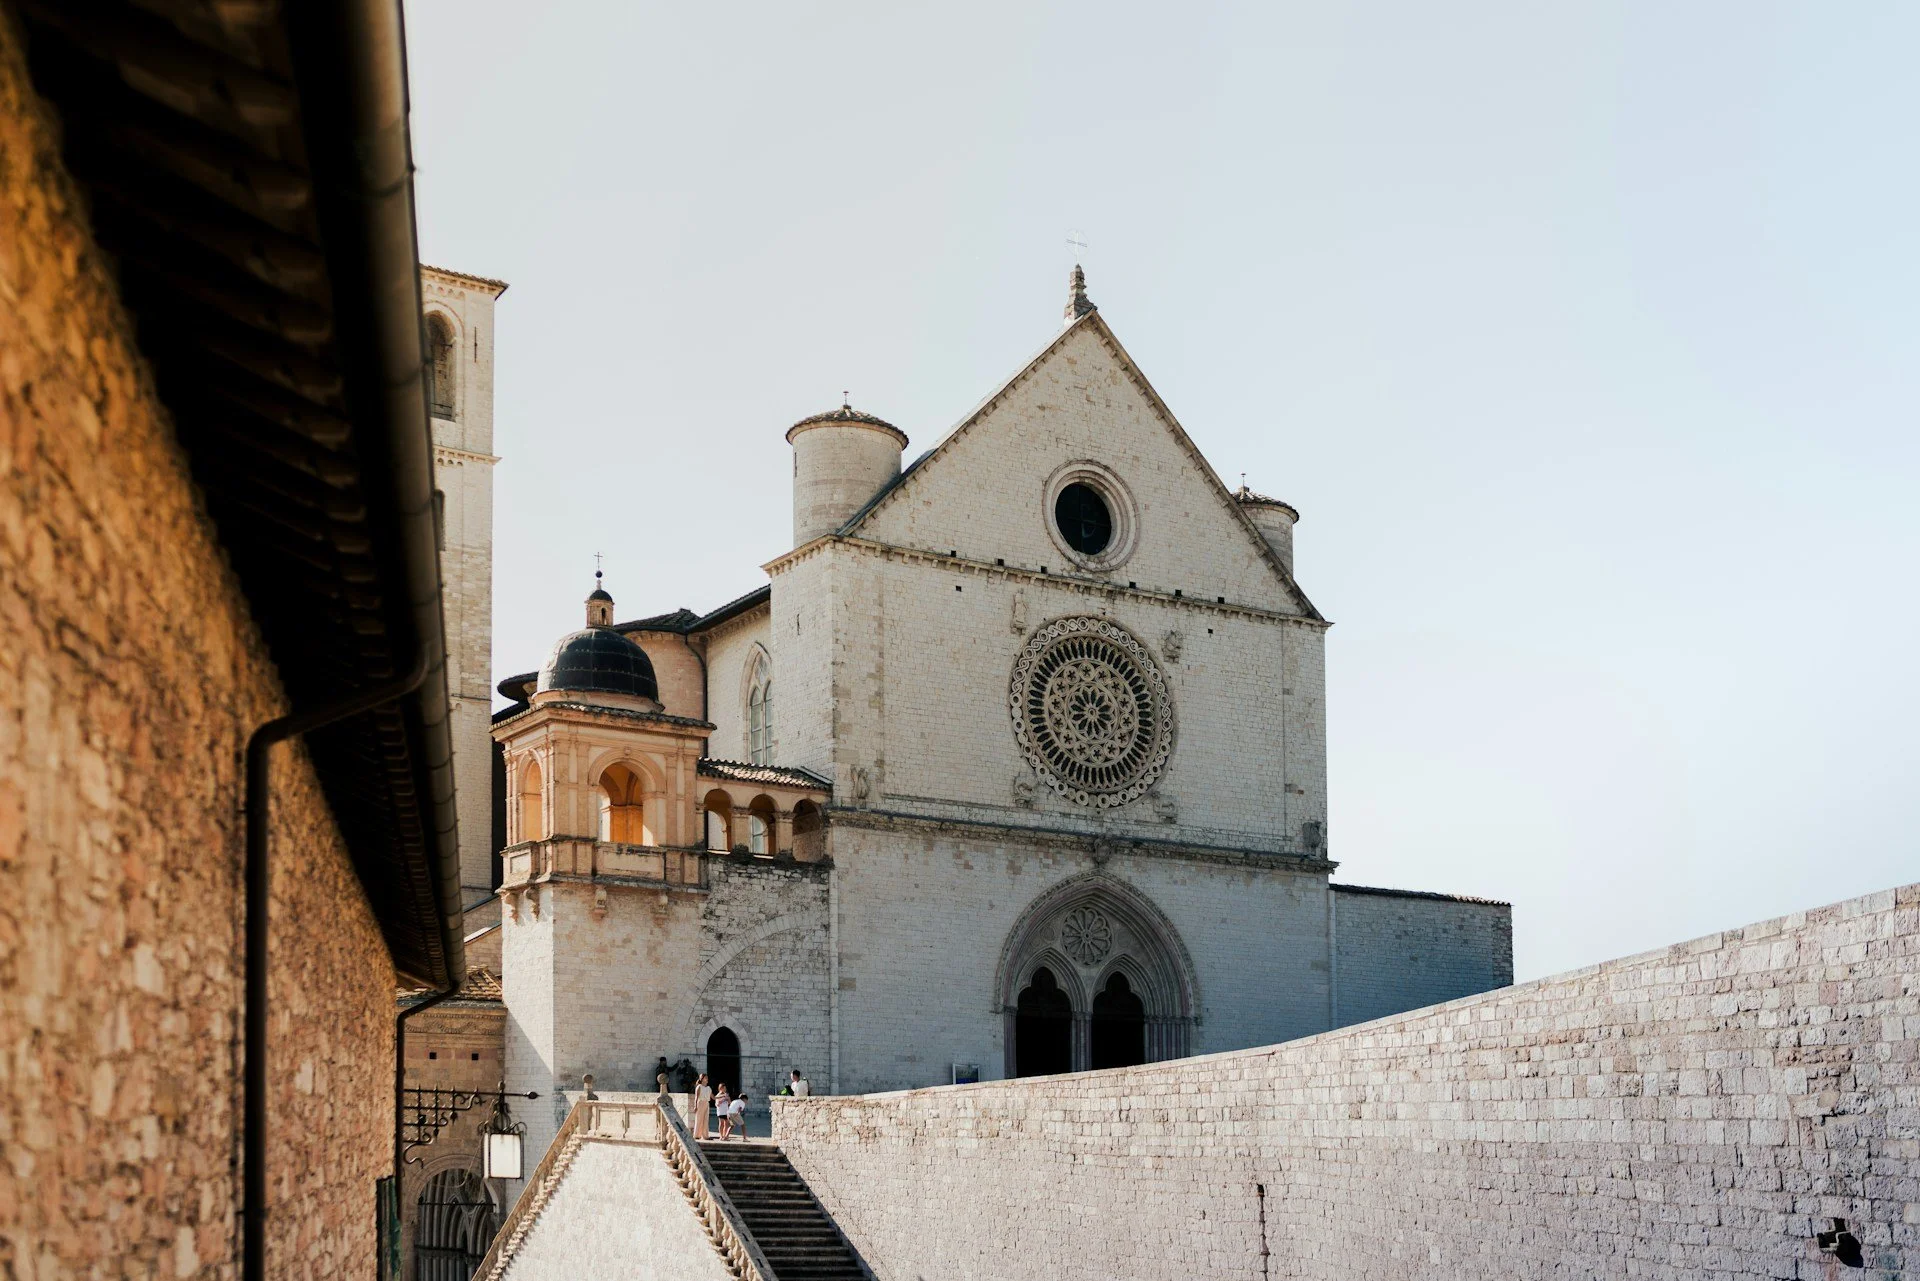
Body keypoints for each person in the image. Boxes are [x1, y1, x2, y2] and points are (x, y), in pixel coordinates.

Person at [691, 1073, 713, 1140]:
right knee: (699, 1119)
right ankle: (697, 1135)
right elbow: (696, 1097)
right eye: (705, 1077)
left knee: (706, 1119)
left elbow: (713, 1097)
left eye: (707, 1077)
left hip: (706, 1103)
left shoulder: (709, 1088)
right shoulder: (699, 1087)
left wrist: (722, 1096)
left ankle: (705, 1136)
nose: (707, 1079)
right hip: (700, 1103)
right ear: (702, 1079)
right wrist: (695, 1106)